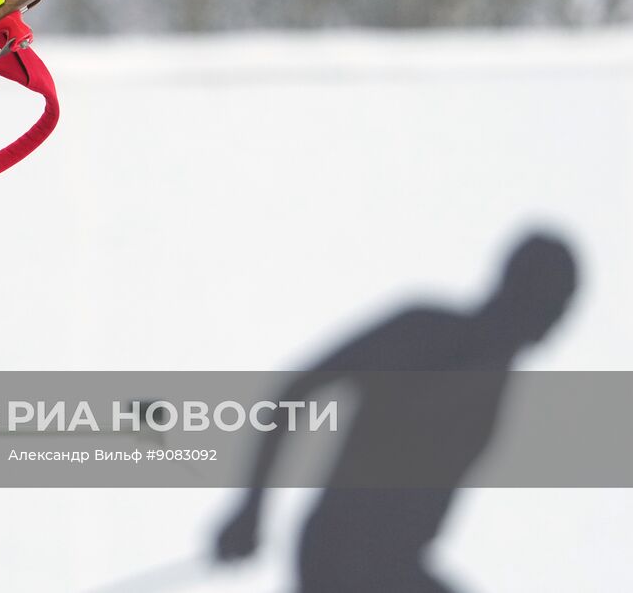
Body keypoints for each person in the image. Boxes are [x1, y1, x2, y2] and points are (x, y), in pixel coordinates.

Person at [213, 232, 578, 593]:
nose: (555, 324)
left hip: (390, 567)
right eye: (552, 305)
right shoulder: (423, 334)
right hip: (342, 553)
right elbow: (297, 392)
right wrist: (251, 509)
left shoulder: (495, 385)